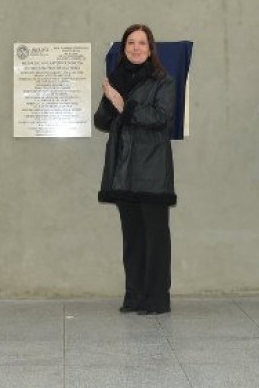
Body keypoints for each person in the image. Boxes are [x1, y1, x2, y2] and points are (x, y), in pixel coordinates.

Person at [95, 24, 176, 315]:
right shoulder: (115, 79)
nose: (136, 48)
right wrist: (110, 101)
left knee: (155, 237)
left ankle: (156, 299)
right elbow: (102, 122)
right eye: (131, 43)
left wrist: (124, 105)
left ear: (151, 48)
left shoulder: (163, 80)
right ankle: (134, 296)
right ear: (124, 47)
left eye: (142, 43)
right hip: (122, 169)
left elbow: (160, 117)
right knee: (132, 237)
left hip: (151, 169)